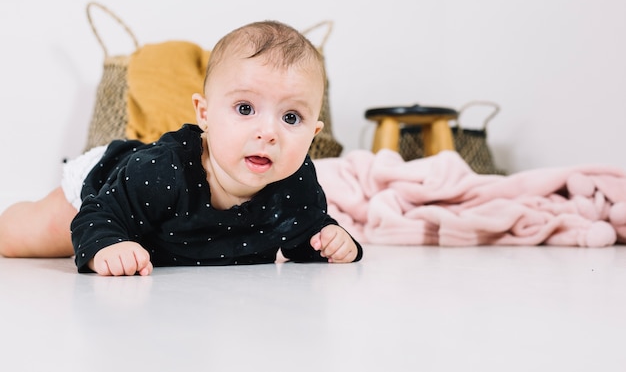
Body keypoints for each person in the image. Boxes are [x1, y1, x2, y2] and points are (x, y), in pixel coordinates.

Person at [0, 20, 363, 276]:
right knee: (31, 235)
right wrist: (105, 246)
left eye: (291, 118)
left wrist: (330, 240)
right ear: (204, 114)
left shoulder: (296, 182)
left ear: (314, 133)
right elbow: (100, 214)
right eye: (245, 109)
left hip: (141, 194)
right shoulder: (163, 171)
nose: (268, 133)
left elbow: (300, 237)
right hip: (111, 182)